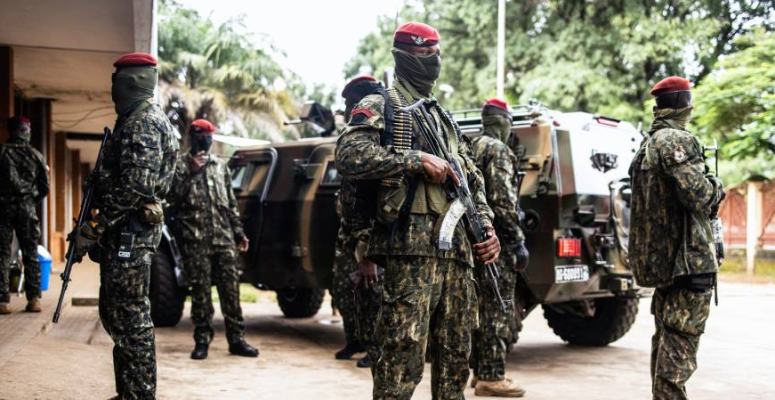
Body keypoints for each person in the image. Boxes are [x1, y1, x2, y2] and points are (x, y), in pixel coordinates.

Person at [336, 22, 501, 399]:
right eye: (424, 54)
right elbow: (348, 155)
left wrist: (487, 227)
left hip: (459, 257)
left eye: (435, 54)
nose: (433, 61)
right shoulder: (382, 104)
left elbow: (473, 181)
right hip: (410, 253)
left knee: (455, 362)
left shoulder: (444, 119)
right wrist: (414, 160)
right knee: (400, 360)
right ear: (404, 57)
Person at [70, 52, 180, 400]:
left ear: (130, 82)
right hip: (125, 233)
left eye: (116, 81)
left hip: (130, 234)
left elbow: (135, 187)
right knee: (117, 315)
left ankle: (140, 395)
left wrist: (94, 227)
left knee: (131, 319)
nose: (113, 89)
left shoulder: (143, 123)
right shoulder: (135, 120)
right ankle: (129, 392)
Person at [629, 76, 725, 400]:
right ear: (685, 104)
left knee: (666, 343)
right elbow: (699, 194)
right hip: (689, 262)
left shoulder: (647, 146)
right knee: (680, 345)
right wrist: (717, 187)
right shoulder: (675, 140)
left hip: (667, 264)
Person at [166, 119, 258, 360]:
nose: (204, 140)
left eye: (208, 136)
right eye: (200, 136)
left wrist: (239, 233)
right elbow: (171, 202)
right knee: (201, 294)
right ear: (191, 137)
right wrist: (191, 172)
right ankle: (202, 341)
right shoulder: (179, 166)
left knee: (231, 292)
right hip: (196, 241)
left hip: (224, 239)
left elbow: (230, 204)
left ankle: (237, 340)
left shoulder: (220, 166)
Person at [469, 99, 529, 397]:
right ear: (504, 122)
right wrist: (517, 242)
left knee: (479, 308)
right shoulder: (498, 150)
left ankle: (478, 371)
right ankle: (491, 377)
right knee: (497, 308)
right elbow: (503, 202)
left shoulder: (471, 147)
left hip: (470, 242)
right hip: (496, 244)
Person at [331, 75, 383, 368]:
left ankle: (374, 350)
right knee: (344, 291)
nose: (350, 110)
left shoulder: (375, 141)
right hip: (348, 236)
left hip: (369, 238)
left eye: (352, 103)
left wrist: (368, 247)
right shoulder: (354, 138)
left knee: (371, 294)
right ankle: (354, 340)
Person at [0, 116, 49, 314]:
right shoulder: (36, 155)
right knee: (31, 254)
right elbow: (44, 187)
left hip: (3, 208)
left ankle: (3, 301)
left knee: (2, 253)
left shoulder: (2, 152)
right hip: (27, 209)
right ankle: (34, 299)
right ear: (27, 132)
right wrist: (29, 200)